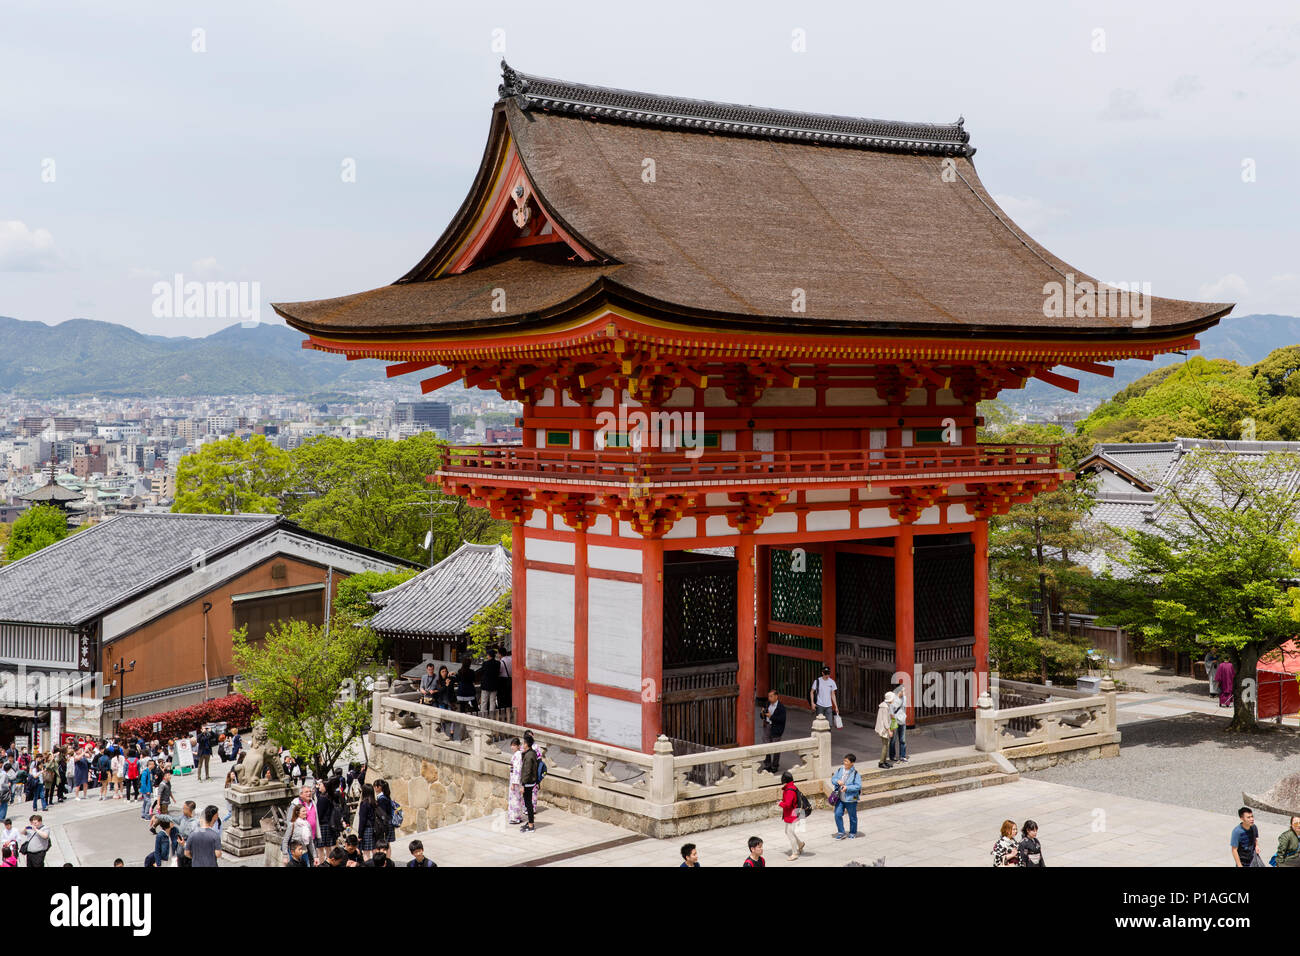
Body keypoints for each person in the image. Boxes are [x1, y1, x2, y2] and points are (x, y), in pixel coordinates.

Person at [830, 754, 861, 840]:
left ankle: (853, 832)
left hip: (851, 798)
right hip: (839, 797)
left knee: (852, 816)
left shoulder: (856, 774)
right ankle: (841, 832)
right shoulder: (840, 770)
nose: (844, 763)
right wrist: (837, 781)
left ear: (852, 763)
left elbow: (858, 786)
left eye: (846, 761)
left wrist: (847, 788)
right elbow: (833, 779)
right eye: (844, 761)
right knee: (837, 814)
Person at [779, 771, 804, 861]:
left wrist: (780, 803)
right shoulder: (792, 787)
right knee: (788, 831)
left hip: (792, 814)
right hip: (793, 813)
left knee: (789, 833)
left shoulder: (789, 790)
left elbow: (788, 804)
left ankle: (794, 853)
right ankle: (800, 844)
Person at [761, 689, 787, 774]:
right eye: (769, 696)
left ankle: (775, 766)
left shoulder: (781, 707)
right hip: (767, 726)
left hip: (776, 729)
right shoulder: (767, 704)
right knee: (766, 746)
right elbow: (763, 716)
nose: (769, 698)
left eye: (771, 696)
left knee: (776, 748)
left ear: (776, 696)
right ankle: (767, 765)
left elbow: (782, 720)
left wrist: (771, 716)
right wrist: (762, 713)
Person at [283, 802, 315, 866]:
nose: (305, 813)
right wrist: (285, 855)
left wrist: (315, 856)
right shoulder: (292, 824)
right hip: (294, 853)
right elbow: (285, 840)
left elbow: (311, 842)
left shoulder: (307, 824)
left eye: (306, 811)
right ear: (297, 813)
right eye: (303, 811)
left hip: (305, 852)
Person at [520, 734, 539, 833]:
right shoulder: (531, 753)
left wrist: (523, 784)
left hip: (528, 783)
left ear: (527, 744)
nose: (522, 745)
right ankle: (530, 822)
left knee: (528, 804)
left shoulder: (529, 755)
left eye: (523, 743)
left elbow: (527, 771)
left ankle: (531, 825)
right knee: (528, 803)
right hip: (531, 782)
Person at [874, 692, 896, 769]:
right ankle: (881, 762)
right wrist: (889, 730)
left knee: (886, 745)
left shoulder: (886, 705)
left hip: (884, 728)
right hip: (883, 729)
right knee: (885, 745)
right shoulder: (885, 707)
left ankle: (884, 761)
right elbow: (885, 720)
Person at [888, 683, 909, 763]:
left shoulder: (905, 698)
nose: (904, 691)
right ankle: (892, 756)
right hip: (895, 721)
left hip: (902, 721)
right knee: (893, 740)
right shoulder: (893, 699)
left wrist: (904, 717)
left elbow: (904, 709)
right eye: (903, 689)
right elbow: (891, 712)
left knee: (903, 740)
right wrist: (892, 723)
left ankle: (902, 756)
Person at [507, 737, 526, 825]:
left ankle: (515, 817)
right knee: (517, 798)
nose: (512, 747)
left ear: (518, 746)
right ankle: (517, 816)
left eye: (514, 745)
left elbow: (517, 769)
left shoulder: (518, 755)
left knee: (515, 798)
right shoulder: (518, 754)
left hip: (515, 780)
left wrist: (514, 782)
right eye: (512, 745)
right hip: (515, 778)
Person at [478, 649, 502, 713]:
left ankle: (483, 716)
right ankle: (492, 716)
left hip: (485, 685)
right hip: (494, 685)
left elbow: (481, 672)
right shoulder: (498, 663)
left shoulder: (485, 663)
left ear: (489, 655)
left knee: (484, 701)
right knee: (493, 701)